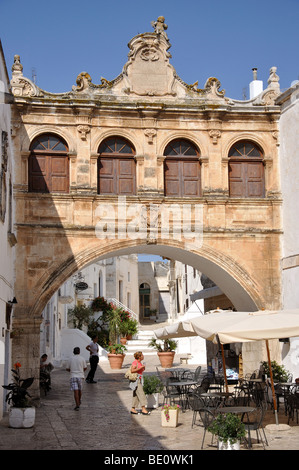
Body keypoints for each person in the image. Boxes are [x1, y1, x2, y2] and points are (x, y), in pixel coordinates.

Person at [130, 351, 150, 415]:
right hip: (136, 380)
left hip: (140, 379)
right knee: (141, 394)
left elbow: (140, 370)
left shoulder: (139, 362)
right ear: (139, 357)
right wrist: (140, 368)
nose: (143, 356)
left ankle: (133, 408)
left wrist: (143, 368)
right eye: (142, 355)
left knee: (136, 395)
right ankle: (143, 409)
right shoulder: (135, 362)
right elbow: (132, 370)